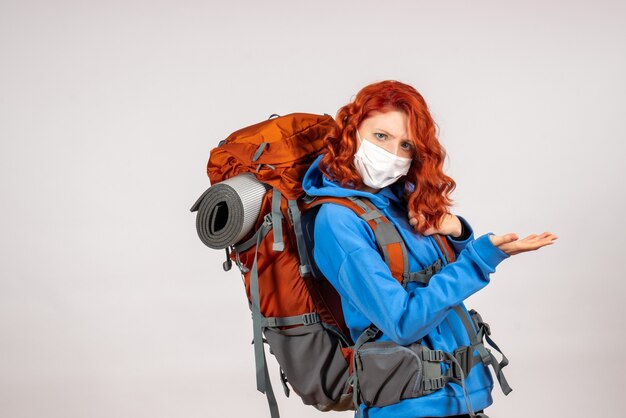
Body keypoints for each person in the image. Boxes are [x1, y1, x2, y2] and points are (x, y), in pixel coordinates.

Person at [301, 80, 557, 418]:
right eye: (381, 136)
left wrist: (458, 232)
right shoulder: (337, 221)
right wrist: (483, 259)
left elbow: (429, 274)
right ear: (351, 131)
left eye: (405, 145)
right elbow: (403, 322)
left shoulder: (396, 202)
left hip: (457, 398)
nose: (392, 154)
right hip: (410, 406)